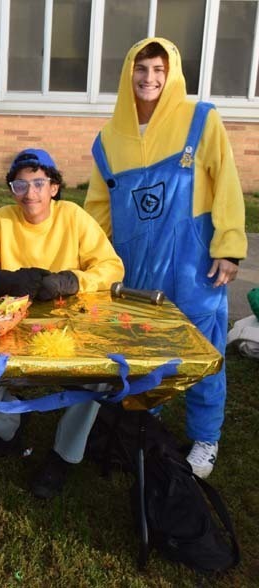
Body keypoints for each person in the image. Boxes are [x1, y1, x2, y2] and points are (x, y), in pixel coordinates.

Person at [85, 38, 247, 479]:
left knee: (202, 350)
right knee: (140, 345)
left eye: (158, 69)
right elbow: (98, 209)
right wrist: (90, 260)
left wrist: (229, 247)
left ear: (171, 72)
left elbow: (227, 183)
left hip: (194, 263)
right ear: (127, 73)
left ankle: (205, 437)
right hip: (136, 265)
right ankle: (145, 419)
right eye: (141, 68)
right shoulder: (109, 139)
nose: (149, 78)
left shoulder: (200, 120)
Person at [0, 148, 124, 498]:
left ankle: (64, 455)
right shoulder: (0, 221)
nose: (30, 194)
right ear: (11, 189)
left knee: (97, 379)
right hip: (7, 328)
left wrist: (73, 281)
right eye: (20, 185)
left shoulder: (74, 218)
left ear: (54, 187)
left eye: (38, 183)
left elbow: (111, 267)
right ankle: (11, 425)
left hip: (70, 328)